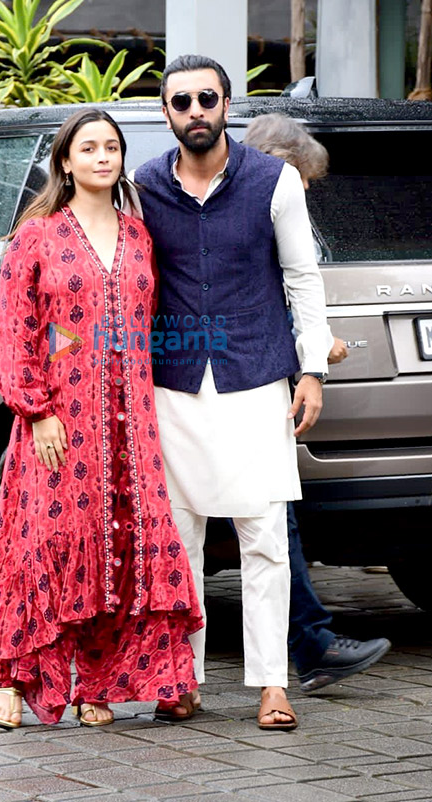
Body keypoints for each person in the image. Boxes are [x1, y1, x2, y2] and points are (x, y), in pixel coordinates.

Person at [129, 54, 334, 731]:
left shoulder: (273, 180)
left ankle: (272, 684)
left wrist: (311, 371)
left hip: (255, 376)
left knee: (264, 535)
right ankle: (181, 679)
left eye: (206, 99)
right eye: (181, 102)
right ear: (166, 113)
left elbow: (302, 279)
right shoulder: (144, 185)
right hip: (176, 381)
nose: (195, 112)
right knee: (180, 539)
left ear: (226, 106)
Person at [0, 108, 202, 729]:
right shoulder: (38, 236)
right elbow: (19, 331)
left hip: (131, 422)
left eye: (112, 147)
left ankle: (98, 684)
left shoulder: (139, 237)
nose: (103, 157)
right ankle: (15, 679)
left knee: (122, 547)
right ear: (66, 161)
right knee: (45, 545)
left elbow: (149, 325)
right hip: (60, 421)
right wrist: (37, 409)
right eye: (89, 148)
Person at [243, 112, 391, 690]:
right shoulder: (255, 213)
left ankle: (308, 642)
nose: (306, 190)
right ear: (278, 167)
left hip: (255, 385)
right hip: (232, 391)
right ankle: (307, 644)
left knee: (276, 519)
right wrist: (309, 347)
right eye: (302, 177)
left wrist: (310, 347)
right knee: (271, 519)